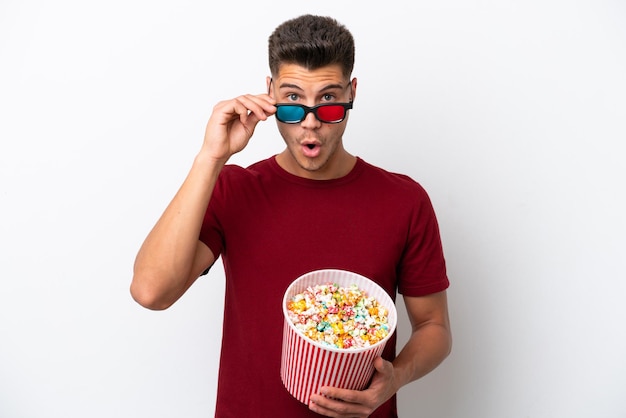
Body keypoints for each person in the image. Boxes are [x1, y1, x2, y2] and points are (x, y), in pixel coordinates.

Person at [131, 14, 452, 418]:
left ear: (352, 93)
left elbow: (434, 327)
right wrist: (210, 157)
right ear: (270, 93)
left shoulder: (405, 200)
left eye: (329, 101)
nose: (311, 122)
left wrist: (396, 378)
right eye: (293, 101)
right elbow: (151, 291)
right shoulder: (234, 189)